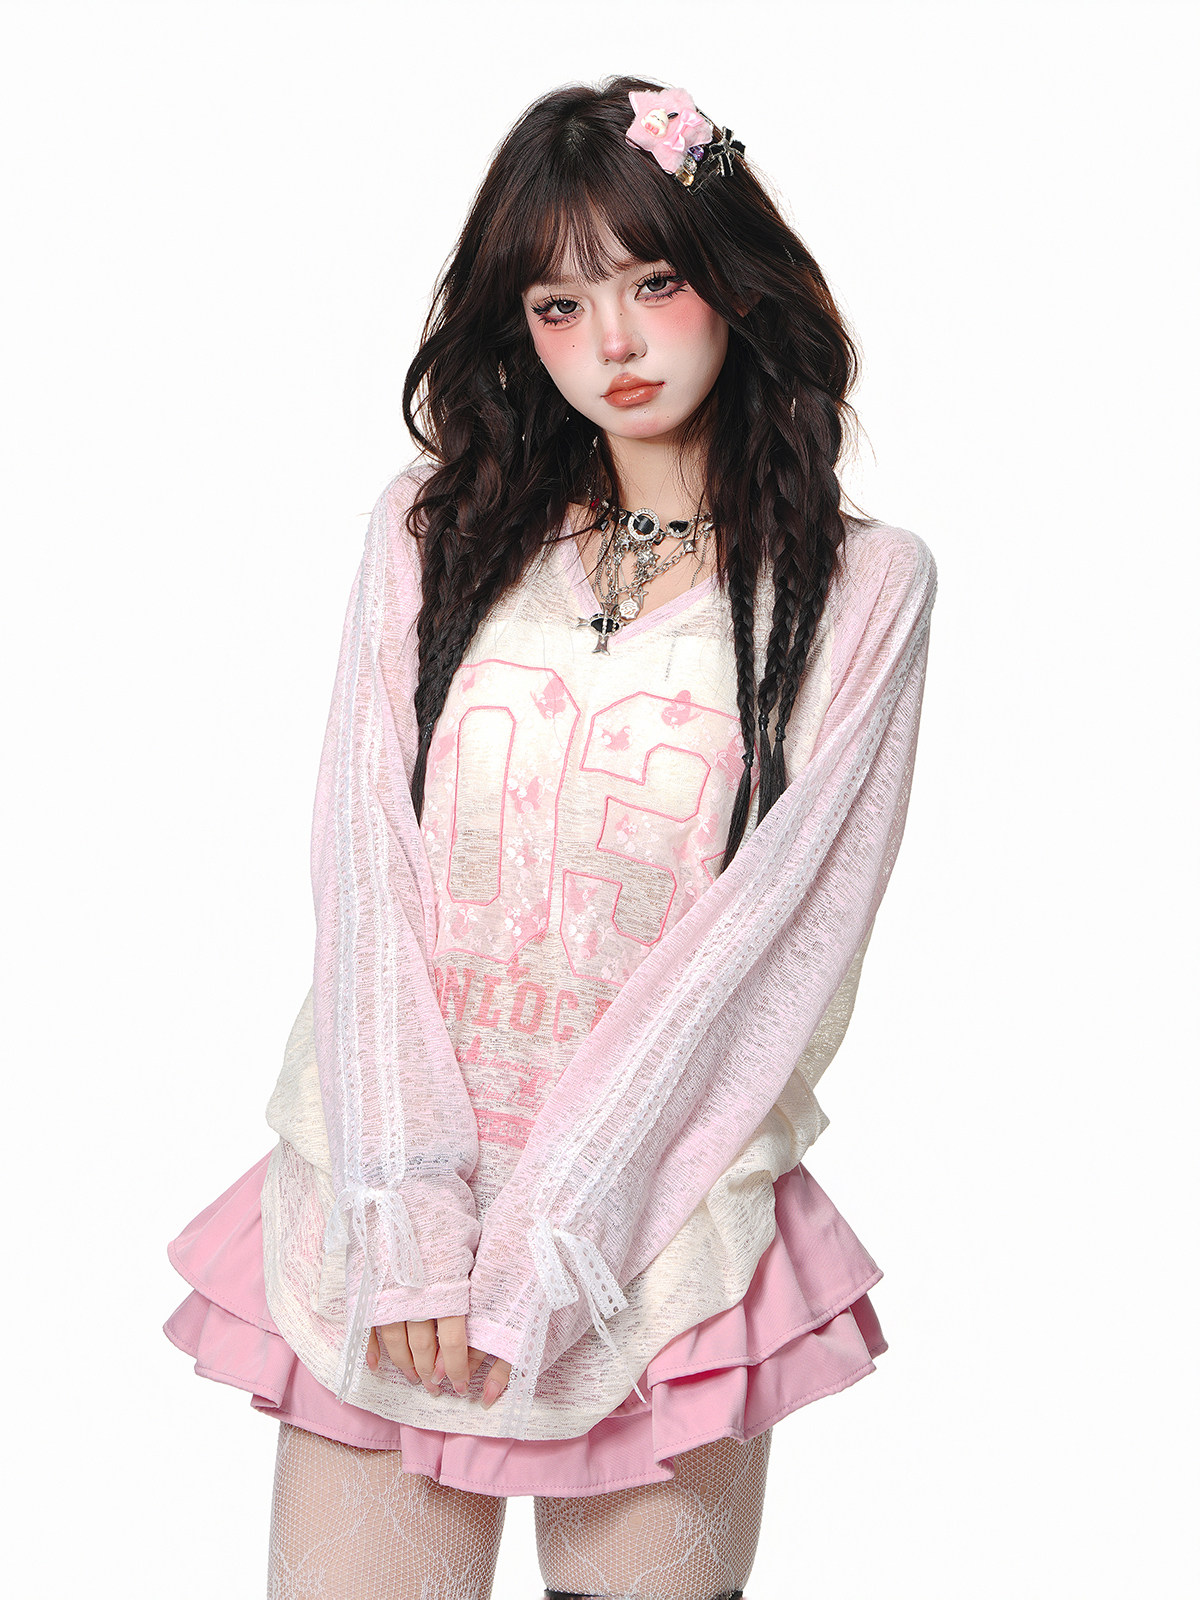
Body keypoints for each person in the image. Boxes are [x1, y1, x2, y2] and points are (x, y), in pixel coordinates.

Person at [164, 74, 938, 1600]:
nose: (617, 345)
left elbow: (772, 944)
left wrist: (560, 1234)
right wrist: (413, 1222)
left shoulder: (861, 590)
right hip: (382, 1209)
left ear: (733, 281)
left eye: (652, 284)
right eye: (561, 306)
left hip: (656, 1235)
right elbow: (366, 879)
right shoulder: (433, 531)